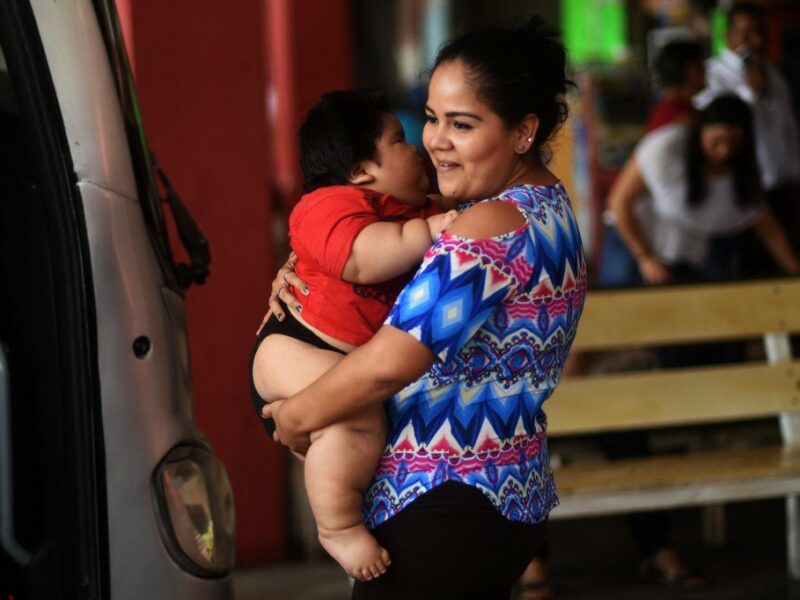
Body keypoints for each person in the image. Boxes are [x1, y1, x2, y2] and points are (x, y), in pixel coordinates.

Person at [263, 18, 587, 600]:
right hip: (506, 492)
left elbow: (389, 364)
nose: (435, 140)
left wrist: (296, 416)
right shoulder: (548, 207)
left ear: (523, 131)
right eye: (432, 118)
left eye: (462, 124)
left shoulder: (486, 228)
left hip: (442, 499)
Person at [249, 89, 457, 581]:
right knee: (360, 414)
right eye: (400, 140)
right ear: (362, 170)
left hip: (338, 361)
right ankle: (337, 528)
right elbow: (363, 259)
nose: (418, 148)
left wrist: (436, 219)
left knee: (355, 423)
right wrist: (430, 231)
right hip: (292, 347)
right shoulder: (327, 205)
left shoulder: (414, 211)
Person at [610, 94, 799, 287]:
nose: (724, 151)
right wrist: (645, 257)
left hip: (688, 257)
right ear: (700, 131)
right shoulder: (664, 149)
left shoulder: (743, 170)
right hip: (634, 244)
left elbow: (766, 226)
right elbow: (619, 202)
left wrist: (794, 272)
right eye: (716, 141)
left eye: (733, 142)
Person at [694, 2, 800, 274]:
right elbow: (717, 126)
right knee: (748, 267)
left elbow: (786, 128)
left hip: (783, 184)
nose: (756, 41)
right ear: (729, 35)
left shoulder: (772, 73)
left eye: (760, 32)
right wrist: (748, 92)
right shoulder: (713, 74)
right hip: (744, 187)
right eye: (747, 33)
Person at [647, 39, 706, 132]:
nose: (706, 71)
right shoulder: (683, 119)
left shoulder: (666, 112)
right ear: (692, 70)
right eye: (702, 65)